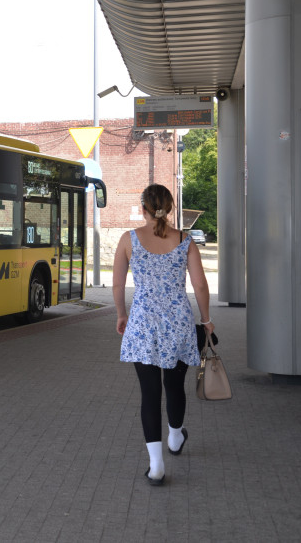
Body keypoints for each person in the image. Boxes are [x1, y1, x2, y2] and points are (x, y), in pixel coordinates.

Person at [113, 183, 213, 486]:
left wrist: (121, 313)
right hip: (179, 324)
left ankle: (156, 466)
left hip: (143, 324)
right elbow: (200, 285)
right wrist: (206, 320)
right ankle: (174, 437)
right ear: (169, 208)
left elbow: (117, 286)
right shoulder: (185, 240)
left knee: (150, 393)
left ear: (143, 207)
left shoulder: (128, 240)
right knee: (174, 386)